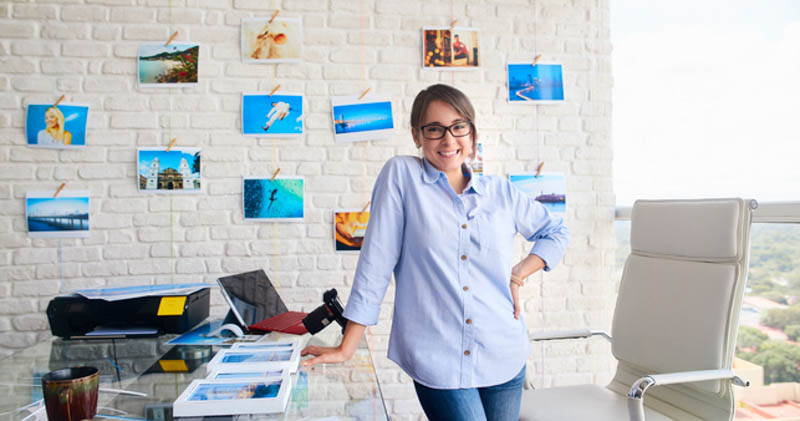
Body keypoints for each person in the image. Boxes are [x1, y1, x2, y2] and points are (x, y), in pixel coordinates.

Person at [301, 84, 570, 421]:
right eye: (434, 129)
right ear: (417, 135)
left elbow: (556, 231)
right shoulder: (401, 176)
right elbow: (376, 263)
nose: (448, 139)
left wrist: (518, 274)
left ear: (471, 134)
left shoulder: (500, 192)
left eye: (459, 127)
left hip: (503, 351)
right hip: (438, 356)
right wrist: (347, 346)